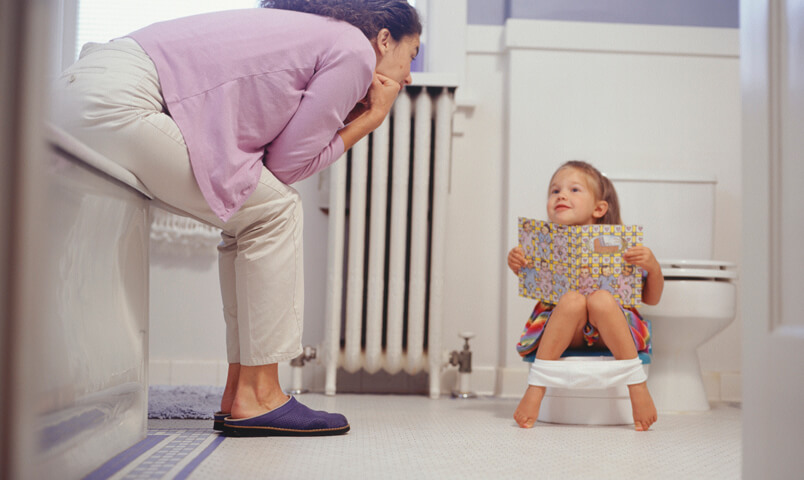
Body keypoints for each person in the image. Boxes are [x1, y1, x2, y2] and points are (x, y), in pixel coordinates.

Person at [51, 0, 421, 437]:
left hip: (79, 92)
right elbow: (285, 168)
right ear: (383, 40)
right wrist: (372, 118)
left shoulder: (309, 32)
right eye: (410, 55)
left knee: (248, 215)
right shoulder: (353, 50)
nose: (409, 76)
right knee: (276, 209)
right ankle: (261, 395)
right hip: (119, 103)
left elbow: (262, 156)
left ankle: (239, 392)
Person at [506, 161, 664, 431]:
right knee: (573, 300)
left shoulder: (621, 245)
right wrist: (518, 264)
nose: (561, 195)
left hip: (611, 327)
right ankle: (536, 387)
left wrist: (652, 266)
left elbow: (651, 299)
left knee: (601, 299)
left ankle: (637, 385)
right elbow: (535, 283)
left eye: (574, 189)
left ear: (599, 209)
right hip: (566, 326)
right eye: (555, 191)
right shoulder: (540, 244)